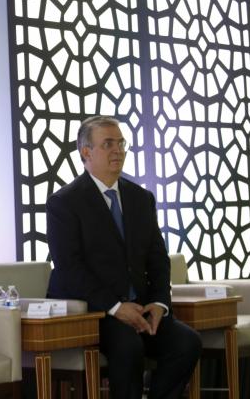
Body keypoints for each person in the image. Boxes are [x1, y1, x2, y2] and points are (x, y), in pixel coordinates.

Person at [46, 115, 201, 399]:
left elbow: (157, 258)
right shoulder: (64, 203)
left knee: (186, 343)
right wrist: (116, 307)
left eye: (121, 143)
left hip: (141, 309)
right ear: (86, 152)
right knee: (129, 346)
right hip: (95, 312)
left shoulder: (141, 199)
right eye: (108, 144)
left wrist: (158, 303)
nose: (118, 150)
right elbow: (70, 269)